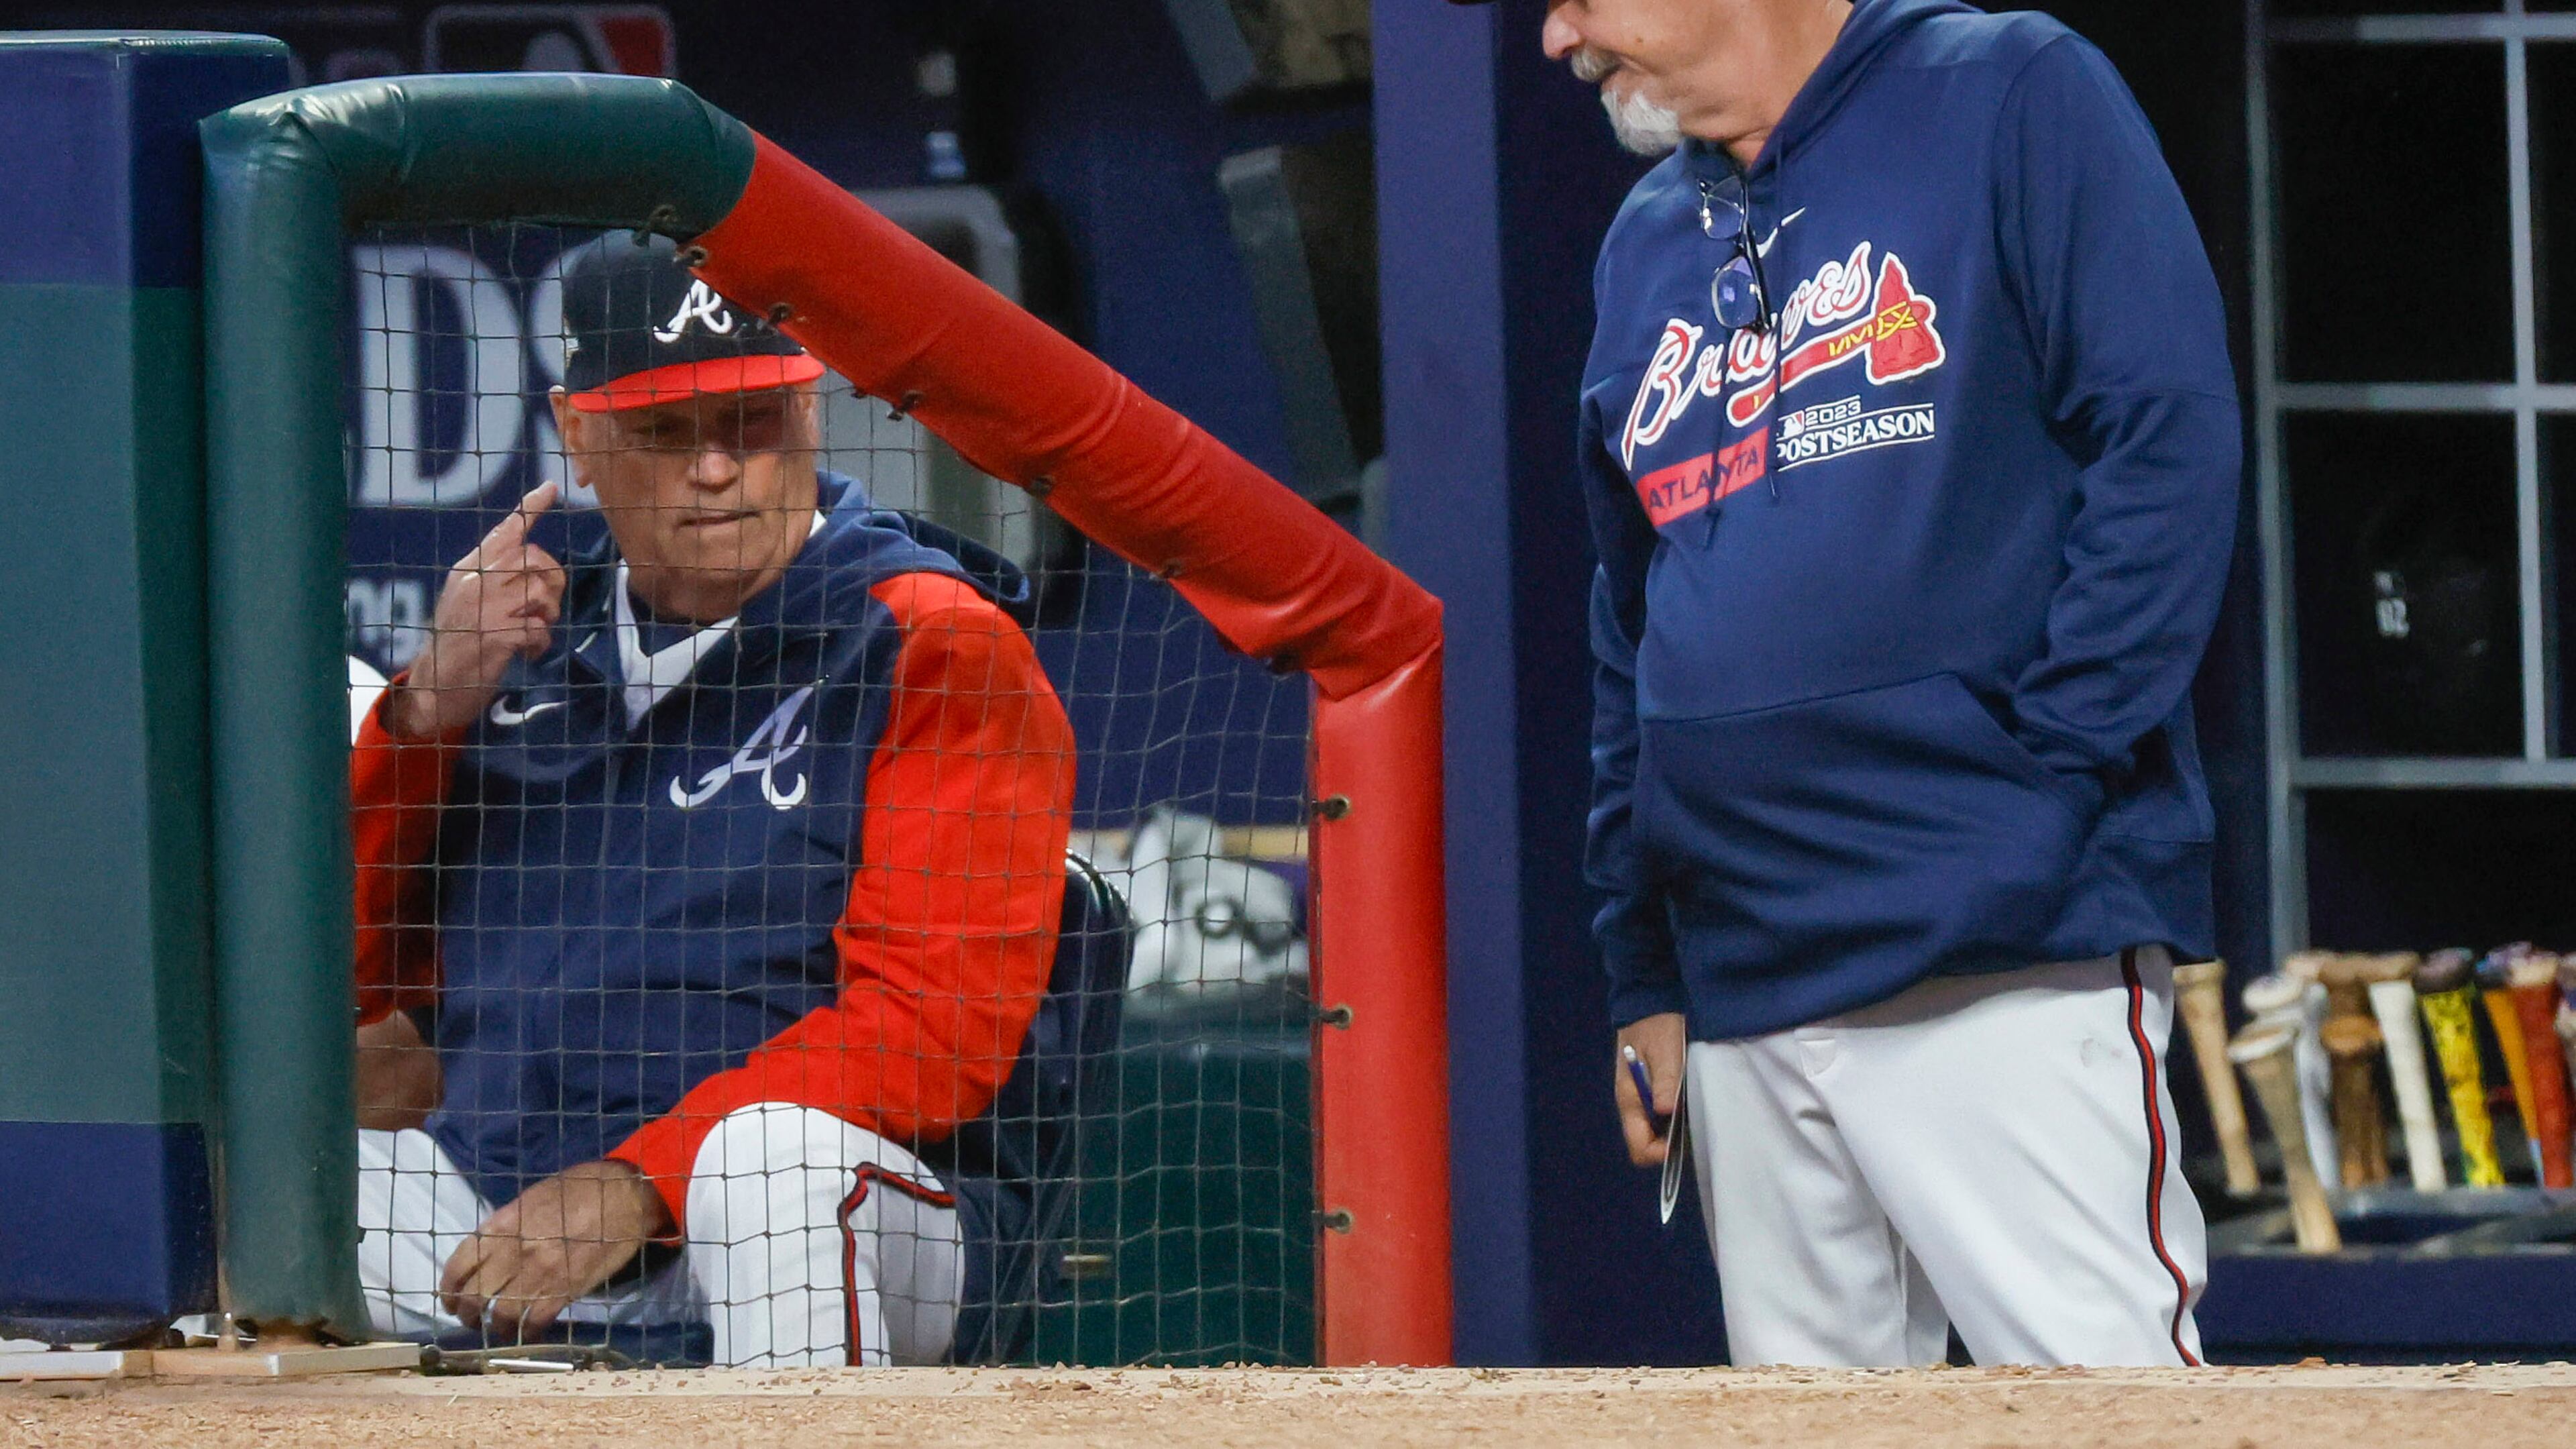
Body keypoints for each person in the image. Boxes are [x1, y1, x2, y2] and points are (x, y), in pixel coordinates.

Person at [1517, 0, 2241, 1365]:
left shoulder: (2010, 91)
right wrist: (1644, 970)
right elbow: (1632, 624)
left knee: (2104, 1405)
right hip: (1743, 978)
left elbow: (2169, 445)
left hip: (1995, 949)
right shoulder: (1645, 240)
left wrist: (2043, 781)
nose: (1559, 39)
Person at [347, 231, 1077, 1368]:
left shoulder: (932, 638)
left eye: (752, 422)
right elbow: (359, 998)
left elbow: (932, 1034)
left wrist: (641, 1180)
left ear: (811, 413)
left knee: (763, 1169)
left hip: (857, 1210)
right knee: (273, 1172)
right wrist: (427, 714)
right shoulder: (518, 640)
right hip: (515, 1197)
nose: (716, 469)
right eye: (664, 432)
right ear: (579, 436)